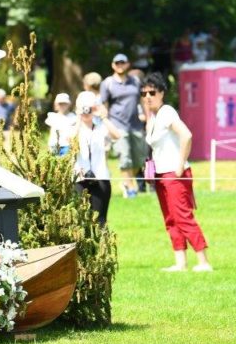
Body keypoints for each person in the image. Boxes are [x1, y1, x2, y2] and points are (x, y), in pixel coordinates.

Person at [142, 73, 212, 272]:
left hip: (175, 174)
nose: (147, 96)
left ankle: (203, 262)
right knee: (170, 219)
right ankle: (180, 262)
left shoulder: (167, 112)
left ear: (162, 93)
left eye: (152, 92)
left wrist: (180, 164)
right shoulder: (154, 116)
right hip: (161, 174)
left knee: (182, 217)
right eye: (144, 93)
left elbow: (186, 135)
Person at [99, 54, 146, 198]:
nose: (120, 65)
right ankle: (130, 188)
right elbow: (103, 104)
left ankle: (127, 182)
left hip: (136, 125)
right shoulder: (108, 83)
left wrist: (145, 115)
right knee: (125, 157)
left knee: (140, 159)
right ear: (113, 65)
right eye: (117, 63)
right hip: (118, 125)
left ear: (127, 64)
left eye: (122, 63)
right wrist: (105, 121)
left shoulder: (135, 81)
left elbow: (142, 99)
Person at [74, 91, 123, 227]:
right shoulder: (75, 126)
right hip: (79, 177)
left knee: (100, 221)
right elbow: (69, 139)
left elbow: (117, 135)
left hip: (101, 176)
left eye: (89, 108)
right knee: (81, 220)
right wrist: (78, 117)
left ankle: (101, 247)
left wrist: (103, 117)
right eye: (83, 108)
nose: (86, 112)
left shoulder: (100, 126)